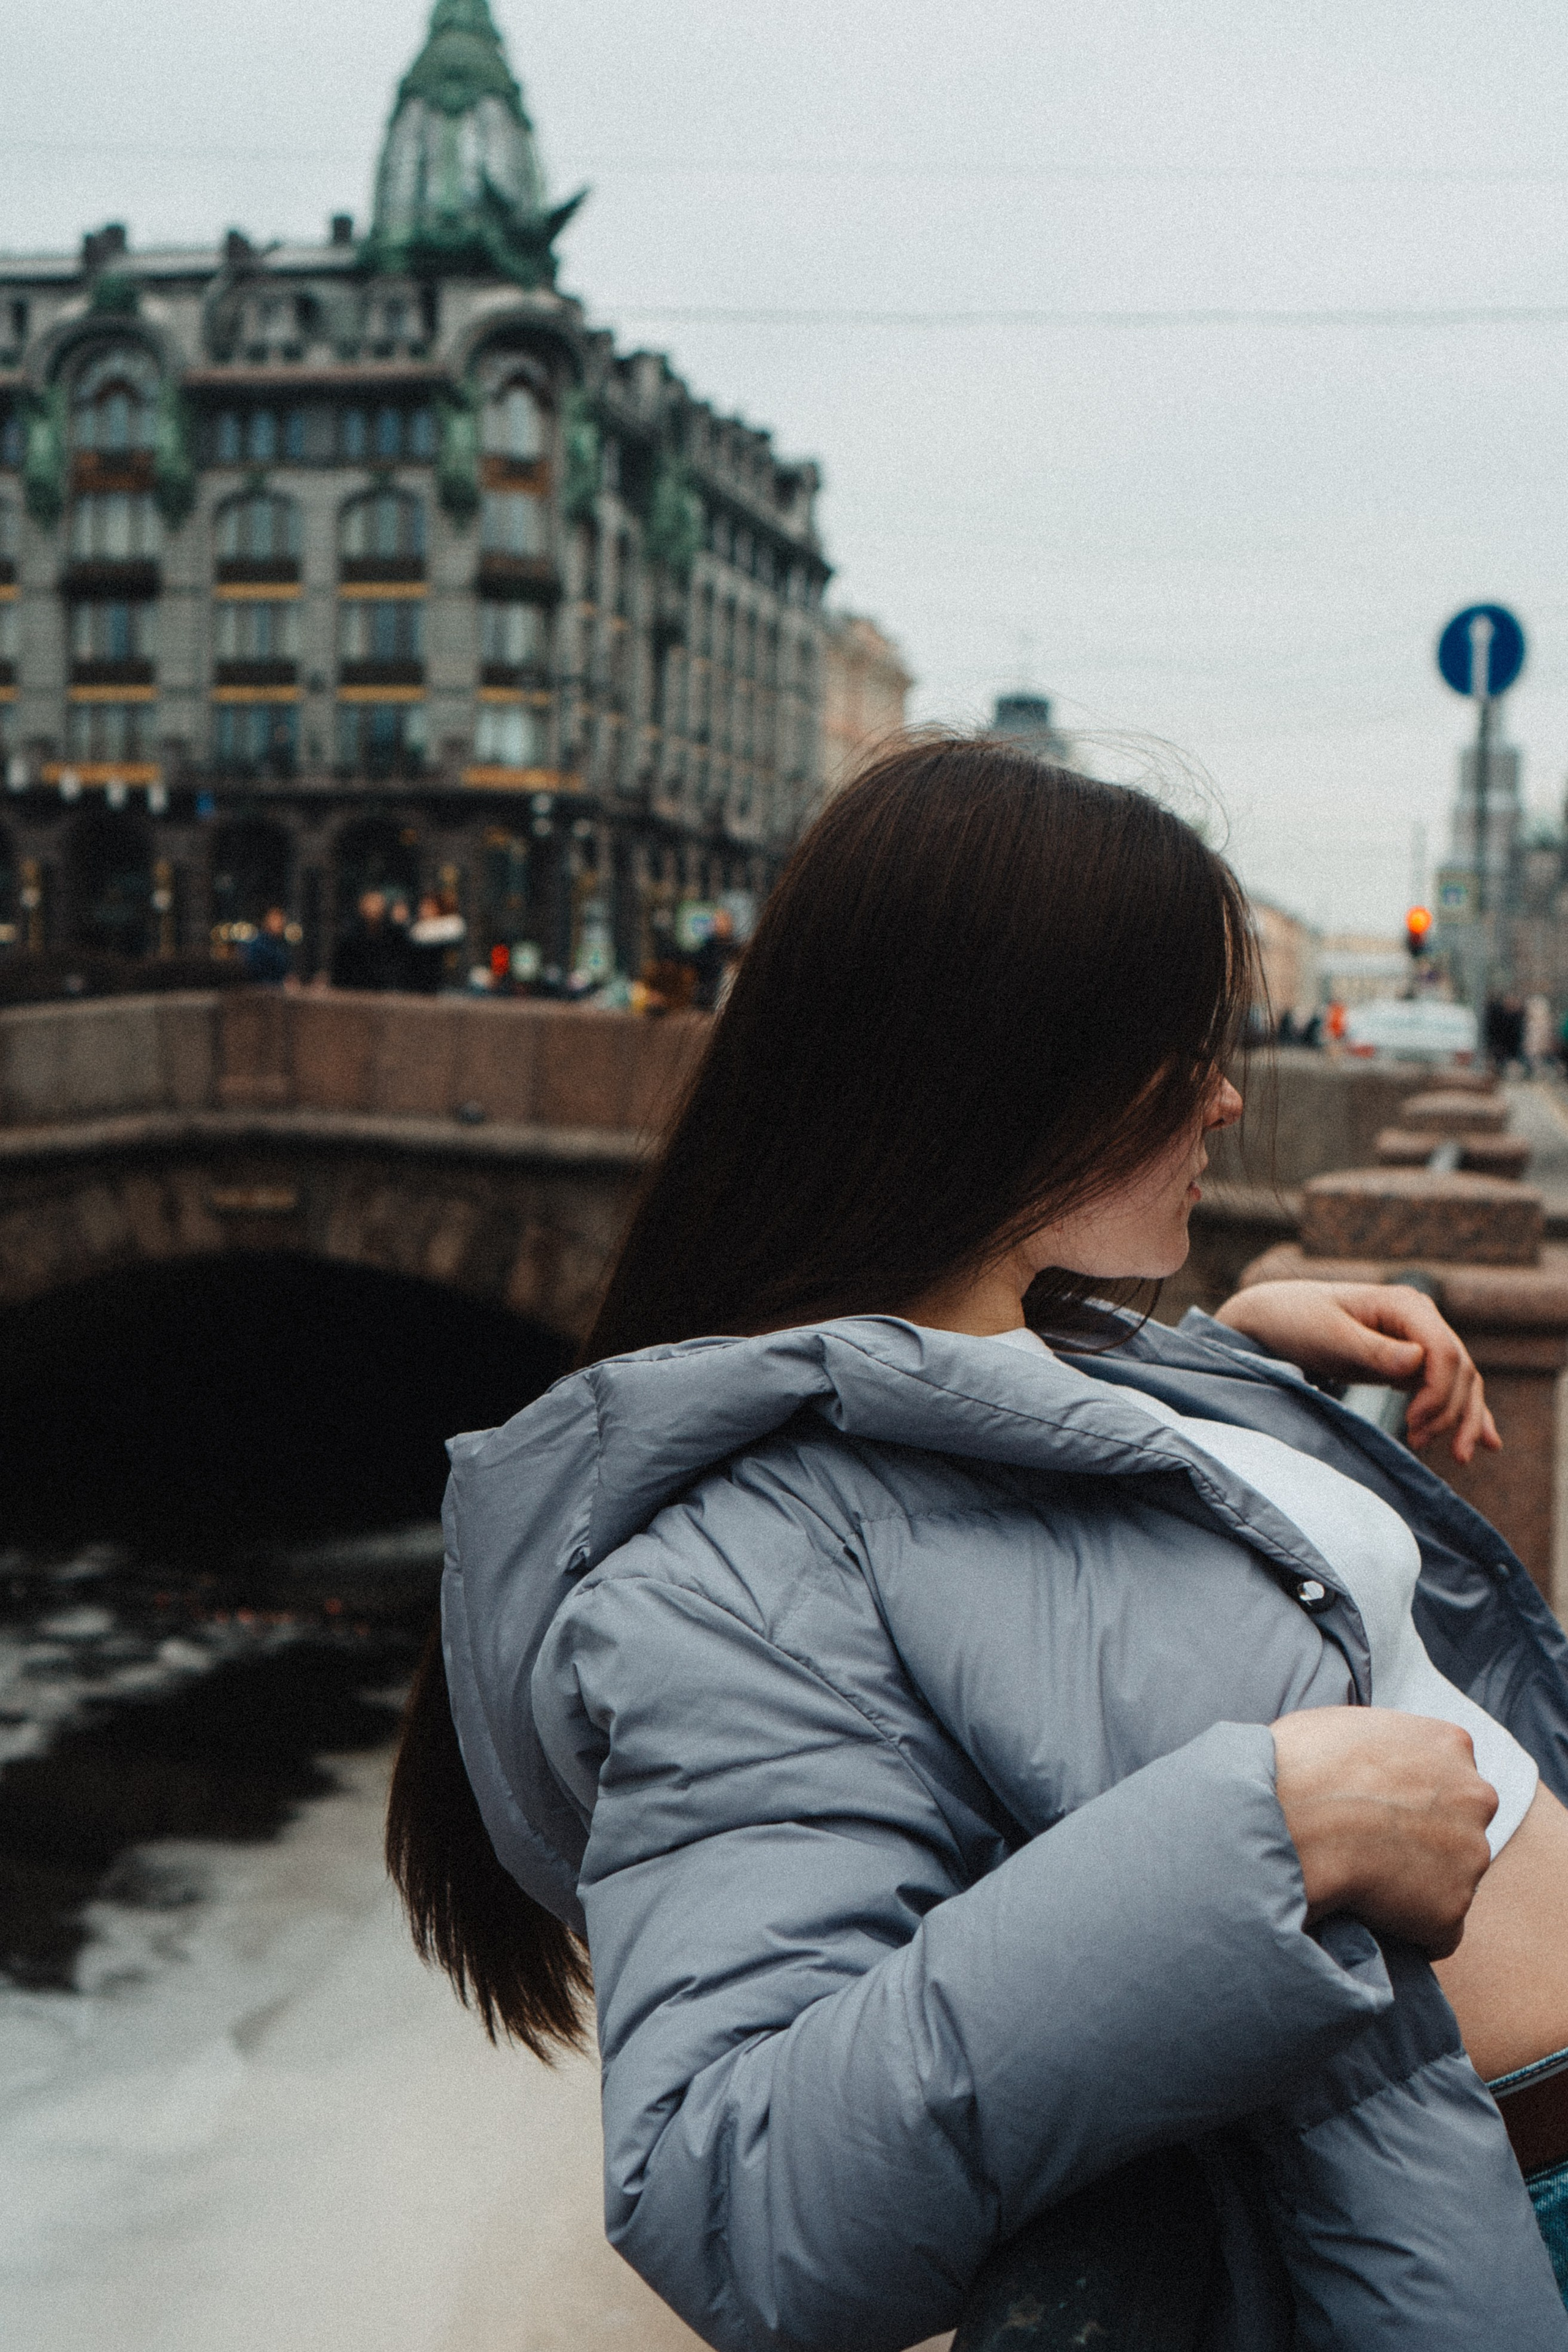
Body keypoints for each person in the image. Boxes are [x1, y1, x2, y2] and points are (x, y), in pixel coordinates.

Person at [387, 739, 1568, 2350]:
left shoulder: (1070, 1355)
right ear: (1019, 1064)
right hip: (1506, 2210)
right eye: (1182, 1050)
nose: (1230, 1093)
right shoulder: (740, 1570)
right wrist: (1268, 1843)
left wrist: (1228, 1368)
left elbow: (1029, 1531)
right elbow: (730, 2185)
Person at [330, 888, 409, 991]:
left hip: (385, 992)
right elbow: (341, 971)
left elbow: (399, 968)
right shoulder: (350, 938)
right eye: (371, 904)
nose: (374, 909)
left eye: (378, 904)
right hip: (355, 992)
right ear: (362, 907)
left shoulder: (395, 936)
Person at [407, 891, 467, 994]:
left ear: (438, 909)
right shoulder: (416, 929)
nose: (423, 910)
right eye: (422, 906)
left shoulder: (451, 927)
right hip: (421, 988)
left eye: (428, 907)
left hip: (450, 986)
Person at [241, 905, 292, 986]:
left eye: (282, 920)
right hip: (261, 993)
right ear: (267, 921)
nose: (280, 924)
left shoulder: (280, 945)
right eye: (276, 920)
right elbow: (257, 976)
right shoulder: (257, 945)